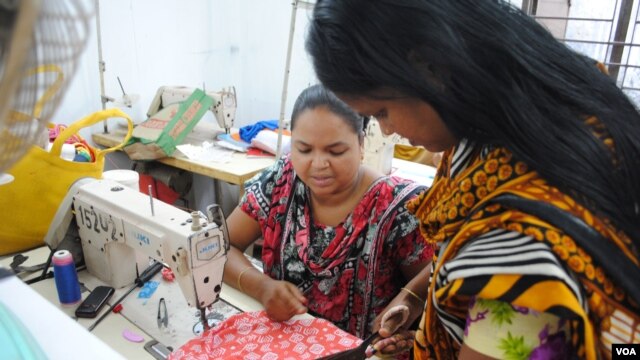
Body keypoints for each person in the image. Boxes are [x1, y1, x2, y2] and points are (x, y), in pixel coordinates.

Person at [305, 1, 640, 359]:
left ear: (430, 68)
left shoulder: (517, 246)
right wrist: (416, 294)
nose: (388, 130)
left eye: (382, 112)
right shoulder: (512, 118)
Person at [222, 84, 434, 343]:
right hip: (283, 345)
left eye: (335, 151)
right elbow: (222, 246)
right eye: (304, 149)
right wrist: (261, 286)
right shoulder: (280, 181)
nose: (319, 164)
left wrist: (409, 312)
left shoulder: (400, 209)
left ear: (361, 143)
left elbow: (435, 289)